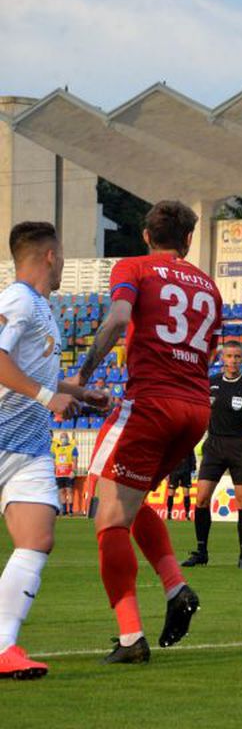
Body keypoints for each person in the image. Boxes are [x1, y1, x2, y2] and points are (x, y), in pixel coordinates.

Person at [77, 201, 222, 663]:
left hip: (150, 403)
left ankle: (129, 638)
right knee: (132, 502)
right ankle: (175, 586)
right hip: (195, 409)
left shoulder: (135, 266)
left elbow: (119, 319)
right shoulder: (210, 286)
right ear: (189, 240)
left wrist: (81, 378)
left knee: (106, 513)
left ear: (145, 236)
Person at [0, 222, 107, 679]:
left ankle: (3, 646)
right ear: (49, 255)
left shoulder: (41, 307)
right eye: (61, 254)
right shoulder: (18, 299)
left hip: (27, 446)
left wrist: (79, 393)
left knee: (38, 538)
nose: (63, 262)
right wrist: (48, 398)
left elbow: (32, 372)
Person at [182, 340, 242, 569]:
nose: (233, 361)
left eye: (237, 357)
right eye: (229, 356)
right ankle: (201, 551)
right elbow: (196, 409)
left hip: (240, 445)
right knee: (201, 498)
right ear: (222, 358)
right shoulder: (210, 383)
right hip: (213, 444)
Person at [52, 432, 78, 517]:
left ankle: (70, 510)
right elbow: (54, 461)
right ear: (60, 439)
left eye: (65, 437)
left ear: (68, 438)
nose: (64, 438)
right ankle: (64, 510)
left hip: (68, 473)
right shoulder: (56, 448)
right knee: (61, 492)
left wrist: (74, 471)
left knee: (69, 491)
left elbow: (75, 460)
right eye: (62, 437)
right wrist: (53, 471)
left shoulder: (72, 448)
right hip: (59, 474)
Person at [164, 451, 195, 521]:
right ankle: (169, 514)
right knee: (171, 493)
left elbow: (192, 456)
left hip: (186, 471)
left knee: (186, 493)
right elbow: (168, 458)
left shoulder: (189, 444)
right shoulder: (173, 444)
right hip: (174, 471)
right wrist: (166, 471)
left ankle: (187, 515)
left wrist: (193, 469)